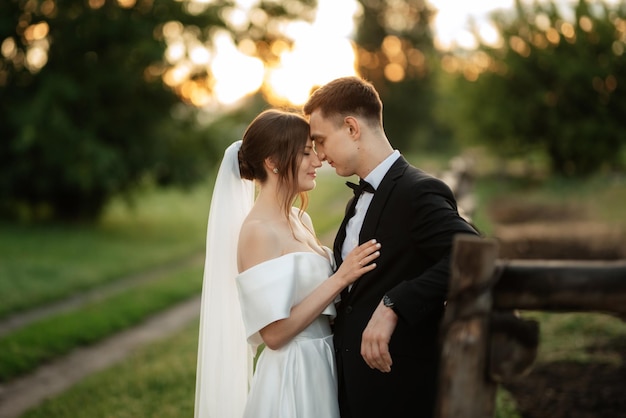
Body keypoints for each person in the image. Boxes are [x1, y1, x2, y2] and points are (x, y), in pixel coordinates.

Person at [303, 76, 480, 418]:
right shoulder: (357, 200)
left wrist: (394, 304)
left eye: (321, 141)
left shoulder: (418, 191)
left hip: (398, 386)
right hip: (352, 386)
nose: (320, 155)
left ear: (352, 127)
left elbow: (470, 254)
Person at [194, 109, 381, 418]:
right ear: (273, 162)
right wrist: (340, 278)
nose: (318, 161)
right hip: (294, 373)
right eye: (307, 153)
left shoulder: (300, 218)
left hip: (323, 361)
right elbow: (274, 335)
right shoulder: (257, 232)